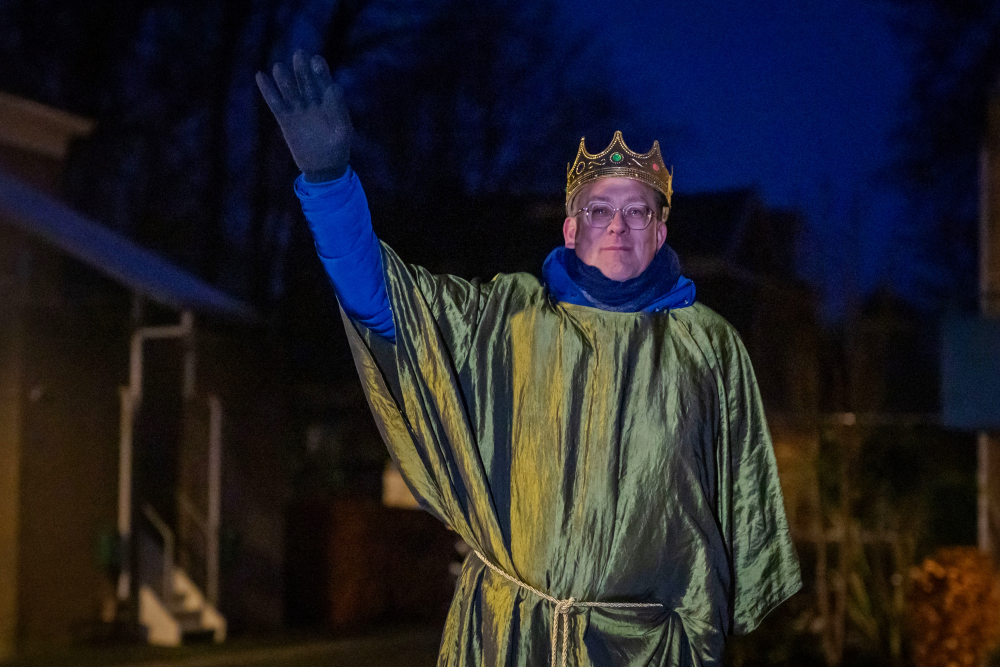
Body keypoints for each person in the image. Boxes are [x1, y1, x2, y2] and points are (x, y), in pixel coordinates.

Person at [258, 51, 802, 667]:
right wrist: (330, 183)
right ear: (571, 229)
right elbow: (389, 304)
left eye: (637, 211)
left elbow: (746, 526)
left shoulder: (710, 347)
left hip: (652, 652)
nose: (618, 225)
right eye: (599, 209)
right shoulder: (505, 320)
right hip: (508, 641)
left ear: (659, 232)